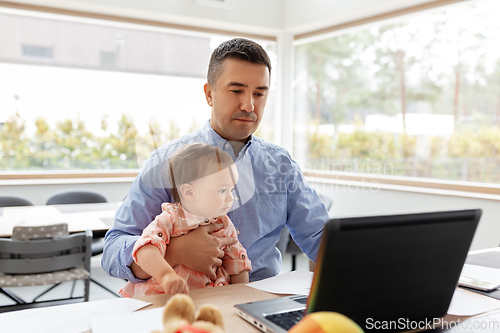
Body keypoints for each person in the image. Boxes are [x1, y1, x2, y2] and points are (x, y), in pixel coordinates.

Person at [102, 38, 329, 285]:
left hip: (262, 301)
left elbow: (322, 238)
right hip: (187, 305)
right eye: (236, 91)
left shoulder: (280, 165)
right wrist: (174, 251)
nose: (249, 105)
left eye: (259, 93)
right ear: (209, 94)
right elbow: (113, 250)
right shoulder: (165, 162)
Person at [119, 143, 251, 297]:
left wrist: (242, 296)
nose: (230, 198)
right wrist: (166, 275)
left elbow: (237, 264)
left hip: (207, 296)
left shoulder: (224, 224)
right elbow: (145, 250)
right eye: (222, 190)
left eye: (231, 189)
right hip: (164, 295)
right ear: (189, 192)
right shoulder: (170, 219)